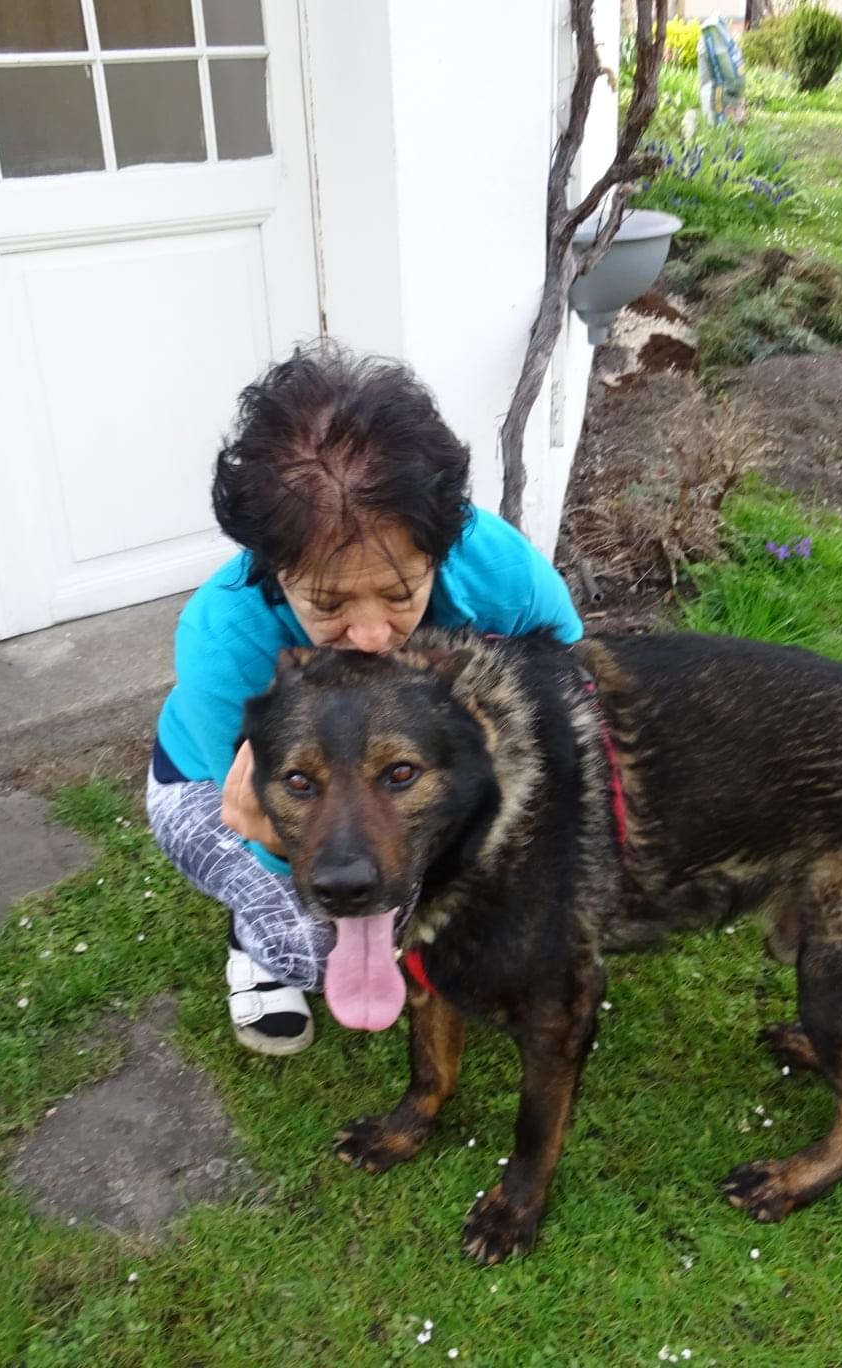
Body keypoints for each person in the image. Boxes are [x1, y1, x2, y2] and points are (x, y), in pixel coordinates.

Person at [147, 343, 584, 1055]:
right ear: (273, 569)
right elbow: (264, 806)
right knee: (310, 948)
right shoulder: (224, 639)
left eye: (401, 592)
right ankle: (252, 943)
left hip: (398, 767)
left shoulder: (497, 567)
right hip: (211, 788)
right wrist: (274, 842)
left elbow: (568, 675)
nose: (374, 635)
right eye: (328, 605)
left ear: (439, 548)